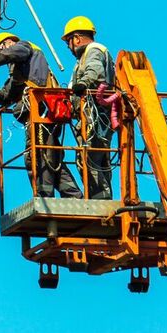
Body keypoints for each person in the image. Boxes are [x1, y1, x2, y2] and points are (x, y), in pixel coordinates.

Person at [0, 32, 82, 199]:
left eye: (0, 51)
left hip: (42, 112)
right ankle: (74, 197)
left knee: (37, 156)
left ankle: (44, 198)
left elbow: (11, 53)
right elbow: (5, 97)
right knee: (51, 156)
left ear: (8, 42)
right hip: (41, 114)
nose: (2, 57)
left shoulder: (24, 47)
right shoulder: (20, 70)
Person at [62, 15, 116, 200]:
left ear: (76, 38)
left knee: (89, 158)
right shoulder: (85, 57)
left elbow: (95, 72)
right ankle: (101, 196)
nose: (69, 47)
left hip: (96, 115)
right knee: (97, 157)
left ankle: (99, 198)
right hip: (95, 115)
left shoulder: (93, 50)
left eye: (68, 42)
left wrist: (82, 83)